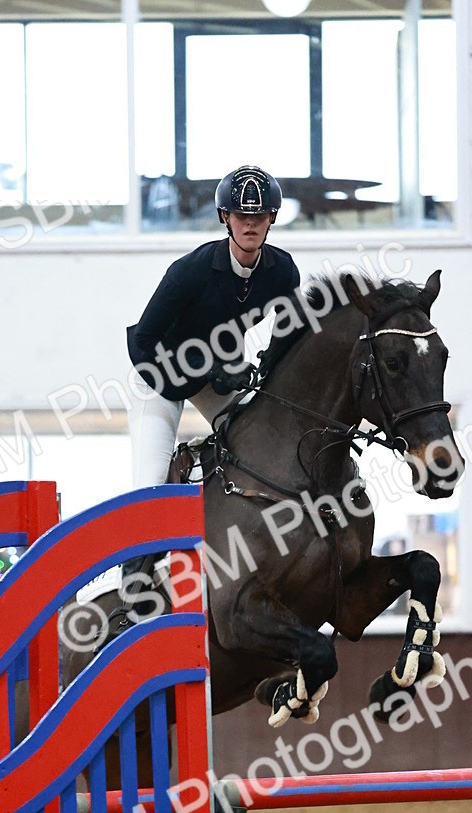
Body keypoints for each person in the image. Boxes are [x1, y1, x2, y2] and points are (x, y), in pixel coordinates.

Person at [122, 164, 301, 606]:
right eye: (242, 216)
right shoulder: (191, 270)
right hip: (159, 374)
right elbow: (142, 341)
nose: (251, 225)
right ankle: (131, 594)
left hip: (219, 369)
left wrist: (265, 372)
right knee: (150, 482)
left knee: (260, 444)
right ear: (225, 218)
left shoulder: (281, 272)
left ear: (272, 219)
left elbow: (289, 331)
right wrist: (205, 375)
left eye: (259, 217)